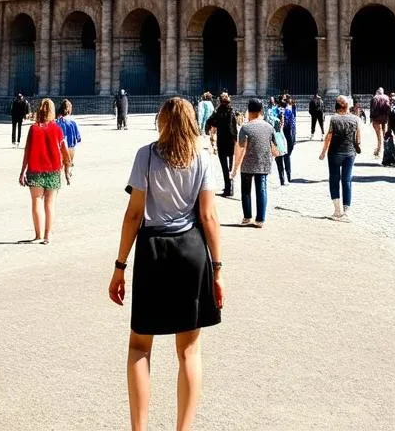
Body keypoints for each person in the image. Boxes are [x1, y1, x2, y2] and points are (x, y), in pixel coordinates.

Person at [109, 96, 223, 431]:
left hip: (153, 250)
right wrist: (217, 270)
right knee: (189, 350)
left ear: (161, 121)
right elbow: (208, 217)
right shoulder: (202, 159)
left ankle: (139, 428)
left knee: (139, 345)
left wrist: (119, 266)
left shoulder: (146, 155)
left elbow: (133, 214)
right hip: (191, 251)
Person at [18, 97, 72, 243]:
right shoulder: (57, 129)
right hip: (54, 170)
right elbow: (64, 149)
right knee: (50, 203)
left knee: (36, 201)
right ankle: (47, 236)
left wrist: (22, 171)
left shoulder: (33, 128)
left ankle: (38, 235)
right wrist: (68, 166)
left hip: (35, 169)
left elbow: (27, 151)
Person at [230, 99, 278, 227]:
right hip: (263, 162)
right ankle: (260, 219)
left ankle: (247, 217)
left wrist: (235, 168)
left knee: (246, 191)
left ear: (249, 111)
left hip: (247, 164)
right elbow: (275, 149)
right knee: (261, 190)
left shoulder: (245, 128)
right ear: (261, 111)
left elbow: (240, 149)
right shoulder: (269, 127)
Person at [319, 95, 361, 220]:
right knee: (347, 181)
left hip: (334, 153)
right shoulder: (355, 119)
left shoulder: (334, 119)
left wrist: (323, 152)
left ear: (336, 106)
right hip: (349, 153)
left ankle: (337, 210)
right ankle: (347, 211)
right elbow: (358, 138)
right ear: (348, 106)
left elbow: (328, 137)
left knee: (334, 180)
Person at [204, 93, 237, 197]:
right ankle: (231, 187)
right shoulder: (232, 111)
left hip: (222, 141)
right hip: (231, 141)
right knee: (231, 166)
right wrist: (235, 140)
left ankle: (227, 188)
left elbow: (210, 121)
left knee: (224, 166)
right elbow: (234, 127)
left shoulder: (218, 111)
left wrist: (216, 124)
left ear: (220, 101)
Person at [56, 99, 82, 181]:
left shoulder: (57, 122)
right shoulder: (72, 122)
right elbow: (78, 137)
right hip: (70, 147)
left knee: (59, 164)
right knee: (68, 163)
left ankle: (58, 177)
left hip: (60, 147)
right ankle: (67, 173)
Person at [369, 86, 392, 158]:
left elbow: (373, 109)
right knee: (384, 134)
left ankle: (378, 150)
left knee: (378, 135)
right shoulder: (386, 97)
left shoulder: (375, 98)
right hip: (385, 118)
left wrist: (371, 118)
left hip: (376, 118)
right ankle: (386, 149)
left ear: (377, 91)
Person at [281, 96, 297, 181]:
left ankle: (282, 178)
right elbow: (292, 126)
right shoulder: (289, 112)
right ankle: (288, 176)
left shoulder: (274, 112)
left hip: (278, 138)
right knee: (287, 157)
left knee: (279, 158)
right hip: (288, 137)